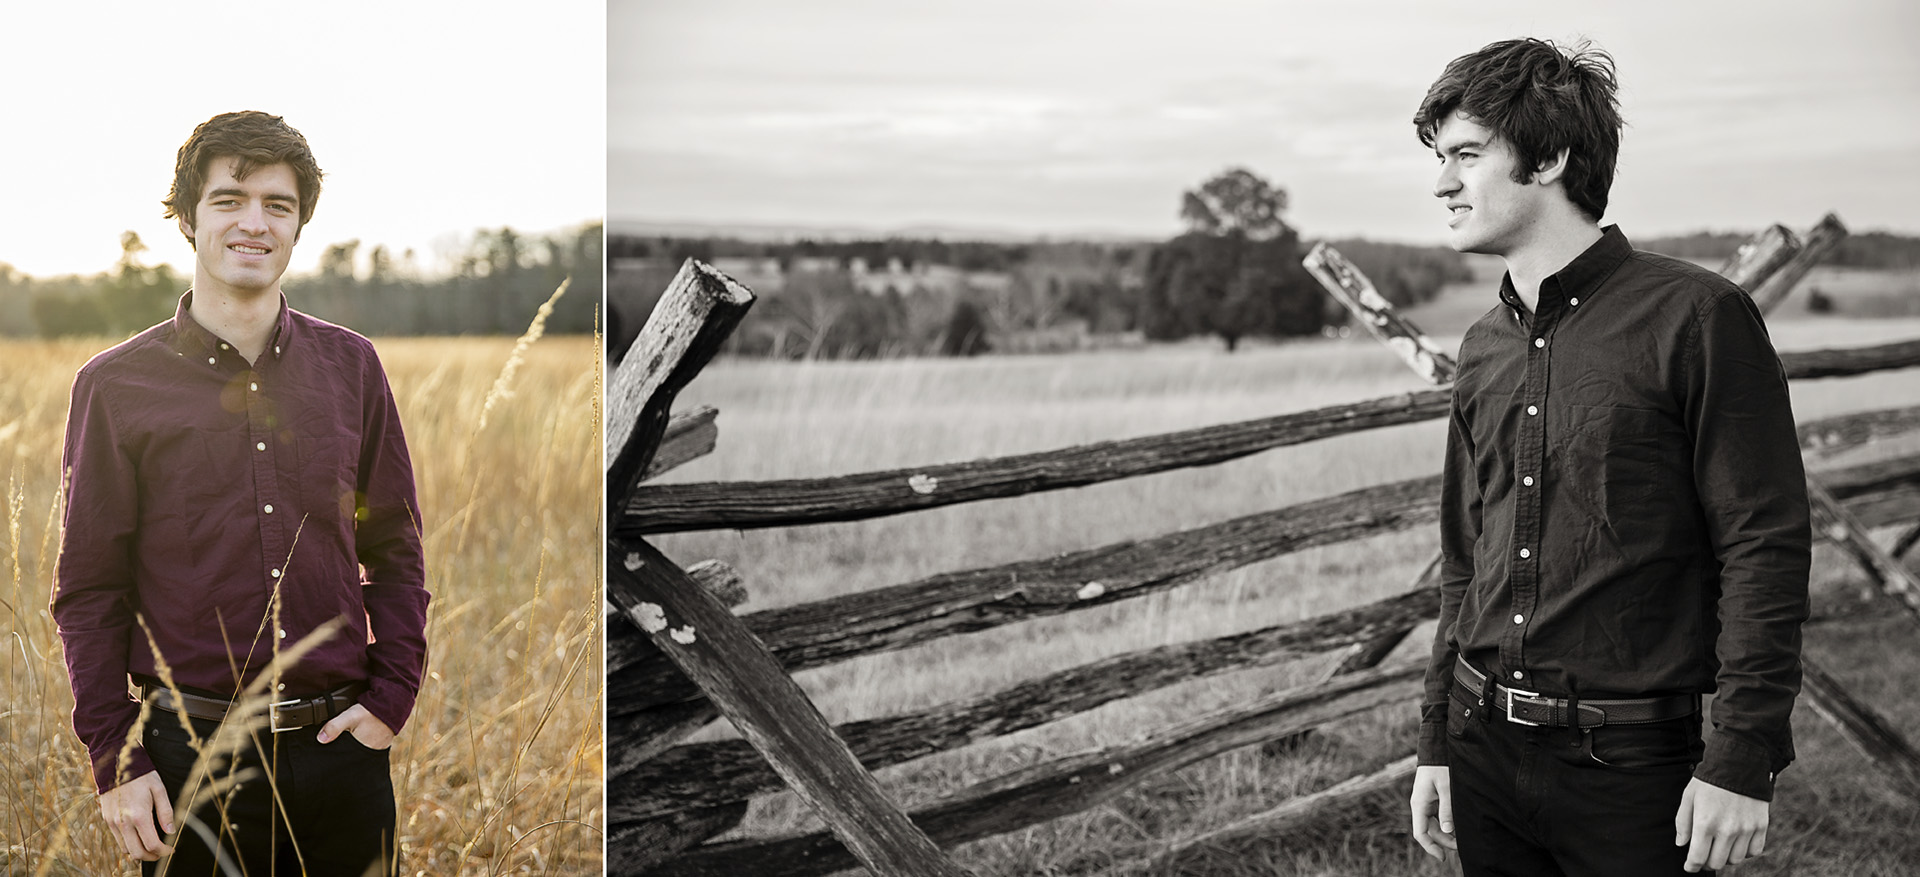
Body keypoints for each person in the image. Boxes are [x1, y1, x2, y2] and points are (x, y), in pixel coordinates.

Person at [1403, 39, 1811, 876]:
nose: (1442, 183)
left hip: (1629, 767)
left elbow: (1762, 543)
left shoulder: (1698, 317)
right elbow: (1464, 559)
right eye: (1440, 159)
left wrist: (1743, 753)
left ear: (1549, 156)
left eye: (1467, 156)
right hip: (1482, 749)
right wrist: (1437, 738)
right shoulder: (1482, 345)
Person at [52, 110, 430, 875]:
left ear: (299, 225)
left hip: (343, 759)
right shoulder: (114, 386)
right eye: (230, 199)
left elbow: (394, 546)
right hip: (189, 767)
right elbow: (88, 589)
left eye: (278, 205)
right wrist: (118, 760)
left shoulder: (352, 367)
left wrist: (392, 696)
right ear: (190, 218)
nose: (253, 222)